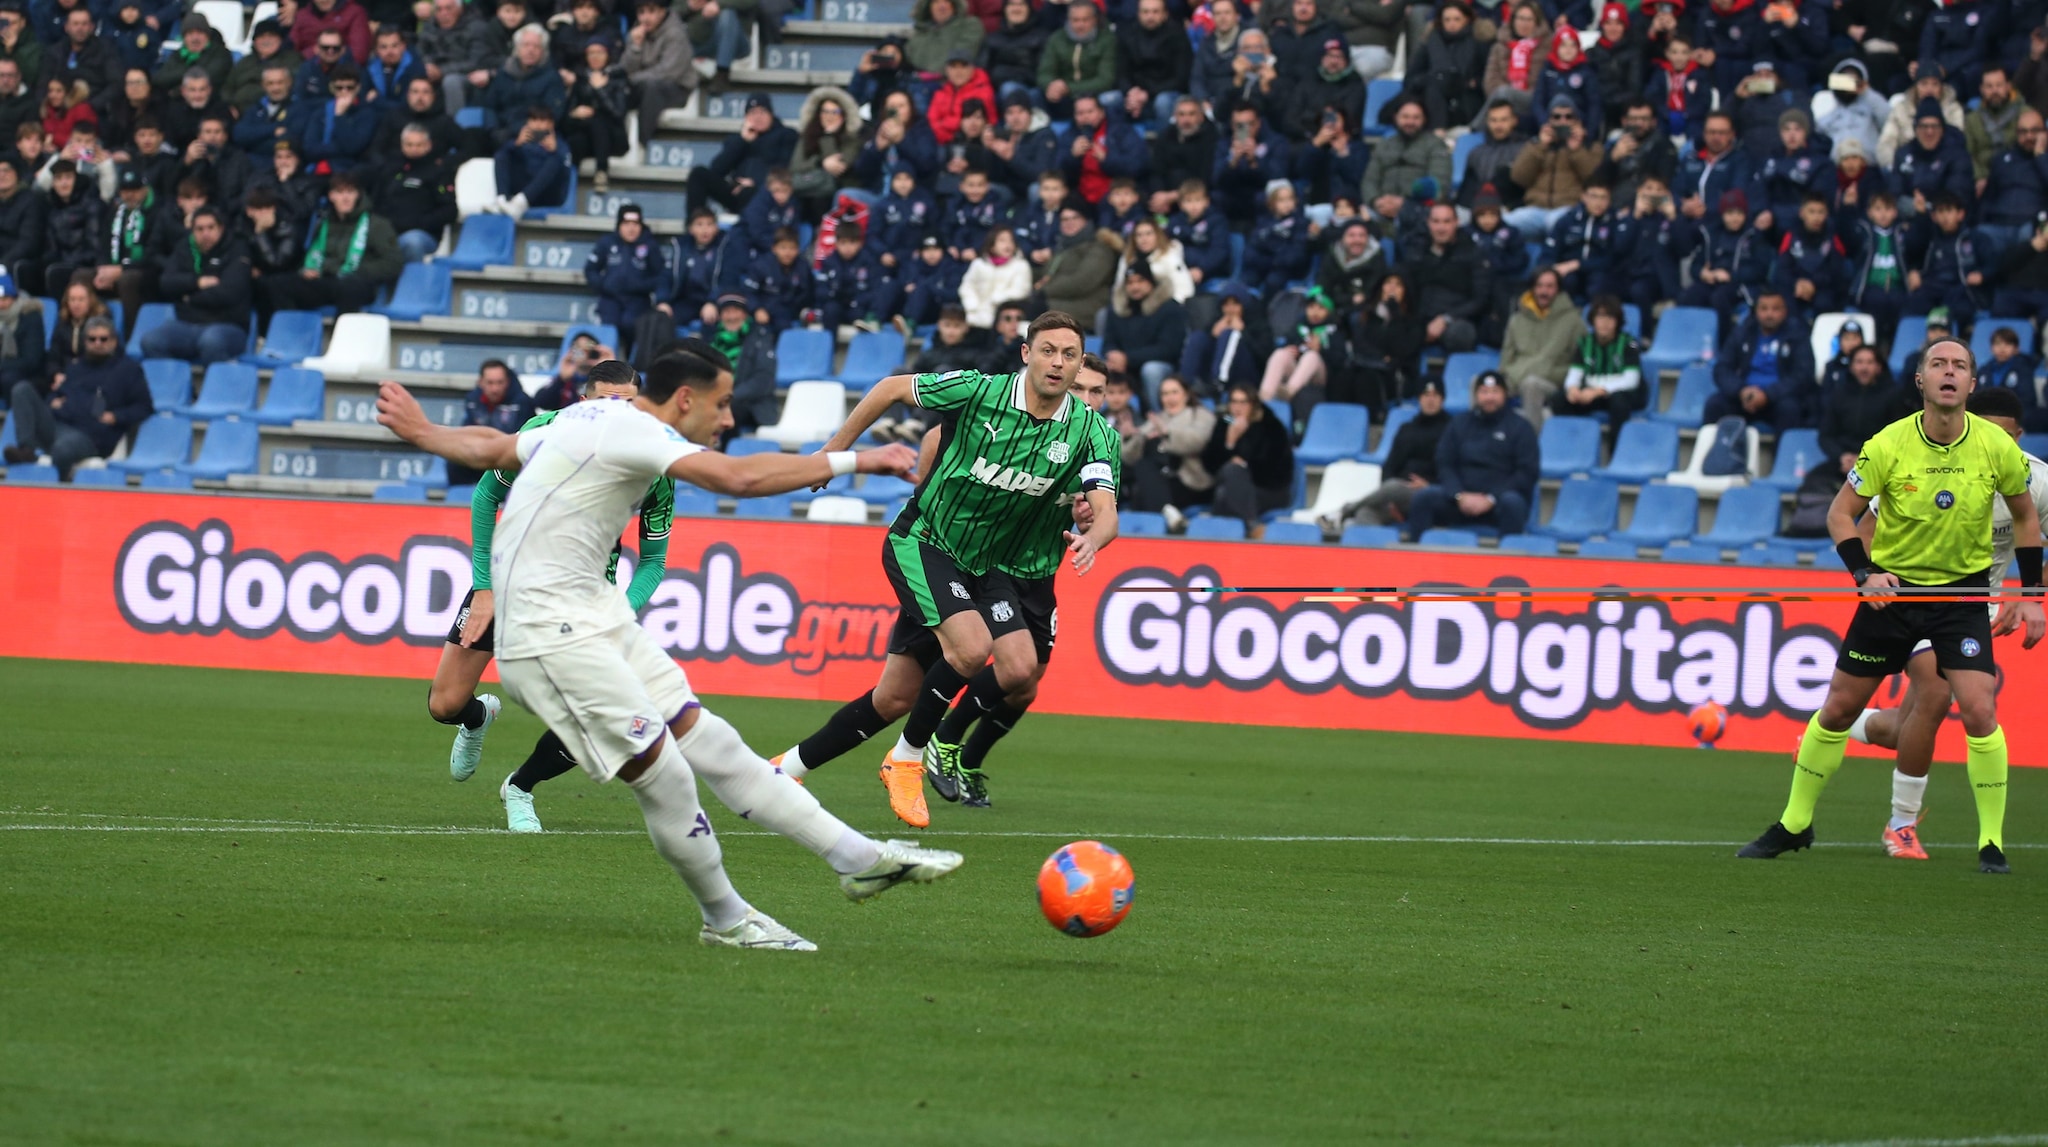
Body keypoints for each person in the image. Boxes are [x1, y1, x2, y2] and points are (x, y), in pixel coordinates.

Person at [377, 349, 957, 951]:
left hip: (596, 615)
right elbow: (740, 478)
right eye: (723, 403)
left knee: (715, 742)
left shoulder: (584, 420)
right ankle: (727, 918)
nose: (728, 418)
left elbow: (493, 448)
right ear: (686, 398)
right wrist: (859, 457)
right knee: (667, 777)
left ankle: (859, 859)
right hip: (547, 635)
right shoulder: (634, 429)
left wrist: (424, 432)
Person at [796, 314, 1120, 825]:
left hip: (986, 566)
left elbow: (1105, 508)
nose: (1058, 363)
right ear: (1026, 354)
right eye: (1048, 351)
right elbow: (888, 388)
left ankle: (785, 770)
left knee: (901, 694)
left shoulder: (1092, 433)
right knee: (974, 649)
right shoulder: (977, 392)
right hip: (924, 542)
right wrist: (832, 455)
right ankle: (908, 760)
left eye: (1070, 355)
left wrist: (1093, 537)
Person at [1738, 340, 2044, 876]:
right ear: (1921, 381)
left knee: (1978, 708)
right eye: (1938, 365)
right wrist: (1864, 573)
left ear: (1971, 385)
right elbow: (1840, 515)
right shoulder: (1888, 444)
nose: (1949, 373)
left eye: (1960, 366)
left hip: (1960, 597)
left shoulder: (1997, 447)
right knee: (1837, 708)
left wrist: (2033, 596)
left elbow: (2025, 519)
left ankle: (1990, 843)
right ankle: (1793, 824)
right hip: (1896, 596)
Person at [1840, 387, 2048, 860]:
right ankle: (1901, 825)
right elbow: (1864, 527)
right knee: (1935, 698)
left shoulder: (2036, 481)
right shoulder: (1935, 462)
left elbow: (2035, 536)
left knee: (1909, 724)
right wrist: (1878, 578)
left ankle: (1834, 728)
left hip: (1978, 607)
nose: (1997, 443)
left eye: (2007, 437)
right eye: (1988, 431)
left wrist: (2029, 593)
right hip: (1921, 599)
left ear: (2020, 437)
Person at [4, 315, 149, 476]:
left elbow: (144, 406)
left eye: (103, 339)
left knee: (62, 450)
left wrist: (116, 416)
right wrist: (53, 401)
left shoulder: (129, 370)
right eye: (92, 339)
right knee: (22, 389)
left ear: (114, 341)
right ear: (85, 342)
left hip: (91, 436)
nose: (98, 343)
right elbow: (56, 394)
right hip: (57, 424)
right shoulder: (76, 367)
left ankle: (57, 487)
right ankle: (27, 450)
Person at [1402, 369, 1540, 539]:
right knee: (1423, 499)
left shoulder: (1521, 427)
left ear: (1505, 395)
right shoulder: (1459, 423)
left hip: (1498, 503)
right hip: (1459, 501)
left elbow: (1526, 472)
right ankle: (1417, 560)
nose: (1489, 397)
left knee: (1513, 503)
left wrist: (1491, 498)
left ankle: (1507, 564)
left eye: (1495, 392)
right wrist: (1458, 495)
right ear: (1475, 395)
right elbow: (1444, 462)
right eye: (1484, 392)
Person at [255, 170, 401, 321]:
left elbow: (393, 263)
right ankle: (292, 335)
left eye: (350, 192)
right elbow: (312, 253)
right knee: (277, 284)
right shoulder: (323, 222)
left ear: (358, 195)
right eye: (339, 192)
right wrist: (306, 270)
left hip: (357, 282)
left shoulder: (376, 224)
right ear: (331, 196)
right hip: (326, 280)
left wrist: (360, 270)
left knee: (349, 286)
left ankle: (340, 340)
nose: (345, 198)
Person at [1325, 379, 1452, 533]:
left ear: (1442, 399)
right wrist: (1390, 502)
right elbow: (1390, 466)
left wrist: (1430, 486)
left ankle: (1345, 510)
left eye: (1435, 395)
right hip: (1396, 495)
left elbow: (1453, 469)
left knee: (1393, 487)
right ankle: (1373, 552)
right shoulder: (1407, 429)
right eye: (1426, 395)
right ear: (1419, 399)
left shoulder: (1451, 431)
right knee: (1366, 512)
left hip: (1431, 494)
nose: (1430, 400)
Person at [139, 206, 249, 365]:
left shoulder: (237, 249)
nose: (205, 234)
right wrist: (196, 282)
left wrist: (188, 297)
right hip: (187, 325)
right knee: (151, 341)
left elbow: (229, 293)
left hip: (228, 326)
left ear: (221, 228)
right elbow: (166, 282)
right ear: (192, 231)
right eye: (199, 229)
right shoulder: (184, 248)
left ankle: (215, 388)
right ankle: (178, 388)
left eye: (211, 228)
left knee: (211, 341)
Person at [1707, 290, 1812, 428]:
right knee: (1715, 405)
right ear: (1756, 311)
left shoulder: (1797, 335)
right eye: (1764, 309)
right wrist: (1741, 390)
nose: (1769, 314)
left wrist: (1768, 395)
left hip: (1779, 398)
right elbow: (1722, 368)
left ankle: (1781, 450)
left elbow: (1802, 375)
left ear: (1785, 311)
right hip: (1744, 396)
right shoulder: (1742, 332)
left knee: (1790, 409)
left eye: (1775, 309)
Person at [1199, 382, 1292, 537]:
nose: (1237, 407)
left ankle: (1246, 526)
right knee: (1226, 487)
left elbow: (1277, 468)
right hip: (1234, 487)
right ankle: (1250, 527)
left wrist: (1246, 466)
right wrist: (1230, 442)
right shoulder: (1224, 424)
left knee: (1227, 487)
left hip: (1269, 489)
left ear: (1253, 404)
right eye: (1234, 401)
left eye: (1243, 402)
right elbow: (1210, 465)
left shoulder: (1271, 426)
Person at [1121, 372, 1217, 518]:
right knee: (1142, 468)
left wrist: (1166, 433)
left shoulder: (1201, 415)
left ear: (1186, 394)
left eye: (1174, 392)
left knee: (1142, 492)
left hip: (1190, 482)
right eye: (1165, 394)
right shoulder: (1157, 418)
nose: (1170, 398)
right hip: (1160, 481)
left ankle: (1159, 518)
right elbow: (1128, 457)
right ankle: (1168, 514)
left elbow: (1198, 442)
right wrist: (1130, 437)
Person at [1499, 265, 1585, 426]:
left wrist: (1549, 371)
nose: (1543, 291)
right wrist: (1503, 377)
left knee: (1531, 384)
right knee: (1482, 382)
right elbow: (1506, 359)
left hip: (1552, 381)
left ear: (1558, 290)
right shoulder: (1517, 320)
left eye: (1549, 286)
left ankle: (1531, 444)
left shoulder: (1574, 321)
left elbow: (1579, 363)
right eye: (1539, 286)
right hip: (1516, 377)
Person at [1508, 96, 1602, 241]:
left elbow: (1595, 180)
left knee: (1557, 224)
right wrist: (1540, 147)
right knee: (1505, 225)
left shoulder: (1591, 146)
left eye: (1568, 117)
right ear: (1549, 120)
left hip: (1569, 208)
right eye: (1556, 117)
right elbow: (1518, 177)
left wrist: (1576, 151)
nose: (1562, 122)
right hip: (1535, 209)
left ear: (1577, 120)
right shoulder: (1536, 145)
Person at [687, 93, 795, 216]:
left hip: (764, 191)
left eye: (763, 112)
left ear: (771, 114)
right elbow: (717, 169)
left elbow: (785, 167)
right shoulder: (737, 140)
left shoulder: (786, 135)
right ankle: (693, 226)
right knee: (698, 174)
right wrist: (742, 141)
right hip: (736, 191)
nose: (758, 117)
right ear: (746, 117)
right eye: (753, 112)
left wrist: (756, 181)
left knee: (749, 192)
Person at [585, 203, 667, 356]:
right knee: (609, 327)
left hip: (638, 300)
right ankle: (606, 366)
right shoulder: (607, 243)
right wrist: (604, 284)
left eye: (635, 224)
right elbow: (590, 270)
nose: (631, 228)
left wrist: (640, 286)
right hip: (610, 298)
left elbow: (661, 276)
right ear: (619, 225)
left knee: (632, 324)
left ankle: (631, 366)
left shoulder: (650, 246)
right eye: (626, 224)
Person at [1102, 261, 1187, 406]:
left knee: (1151, 370)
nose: (1135, 287)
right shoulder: (1117, 308)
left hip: (1162, 366)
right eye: (1130, 283)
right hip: (1125, 365)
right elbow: (1109, 341)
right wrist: (1113, 354)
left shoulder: (1169, 308)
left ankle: (1158, 418)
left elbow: (1169, 349)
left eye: (1140, 281)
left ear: (1151, 282)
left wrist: (1128, 358)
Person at [1358, 98, 1449, 232]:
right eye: (1405, 117)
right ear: (1396, 118)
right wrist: (1376, 201)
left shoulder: (1435, 145)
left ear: (1424, 119)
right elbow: (1369, 180)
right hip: (1381, 208)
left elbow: (1439, 183)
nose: (1410, 122)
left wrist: (1404, 204)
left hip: (1420, 209)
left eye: (1416, 117)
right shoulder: (1384, 144)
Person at [706, 293, 778, 432]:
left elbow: (763, 381)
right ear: (720, 317)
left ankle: (724, 451)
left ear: (745, 315)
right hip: (719, 398)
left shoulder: (760, 338)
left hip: (753, 405)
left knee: (730, 409)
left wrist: (728, 396)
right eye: (727, 312)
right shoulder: (712, 341)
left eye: (736, 311)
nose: (731, 317)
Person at [485, 103, 570, 220]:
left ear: (551, 124)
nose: (538, 124)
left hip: (548, 193)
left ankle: (520, 202)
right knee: (502, 154)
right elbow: (503, 157)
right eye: (534, 120)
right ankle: (502, 201)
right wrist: (516, 145)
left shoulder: (560, 144)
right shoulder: (521, 141)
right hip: (523, 187)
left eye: (543, 120)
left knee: (555, 160)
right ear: (527, 122)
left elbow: (566, 173)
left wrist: (555, 151)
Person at [419, 0, 498, 112]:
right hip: (435, 71)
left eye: (449, 8)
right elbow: (421, 51)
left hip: (467, 76)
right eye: (439, 9)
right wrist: (428, 66)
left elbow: (476, 62)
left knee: (451, 81)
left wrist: (441, 71)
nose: (444, 13)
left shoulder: (476, 27)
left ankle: (453, 124)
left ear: (460, 9)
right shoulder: (429, 26)